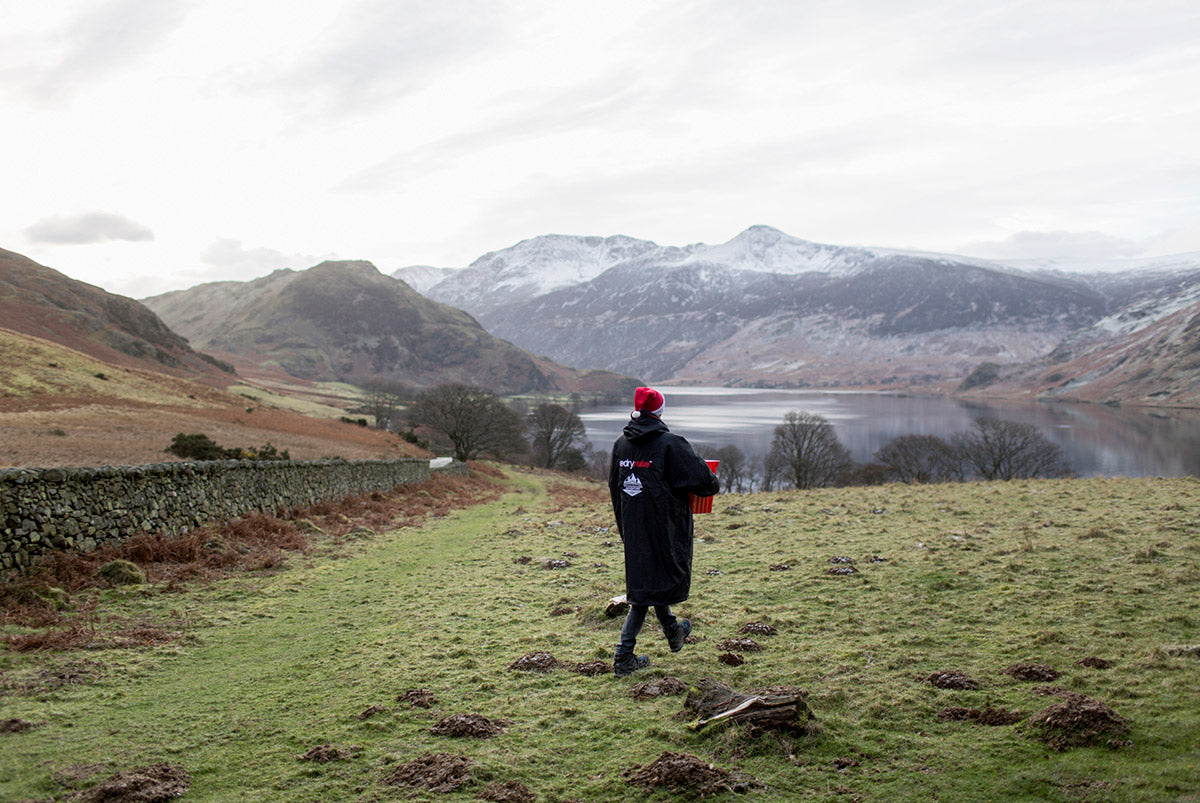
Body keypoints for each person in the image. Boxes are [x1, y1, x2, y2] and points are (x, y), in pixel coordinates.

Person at [608, 386, 719, 676]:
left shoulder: (621, 445)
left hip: (634, 527)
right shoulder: (670, 444)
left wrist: (624, 527)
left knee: (649, 582)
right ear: (659, 412)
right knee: (644, 593)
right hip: (664, 528)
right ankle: (623, 656)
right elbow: (706, 482)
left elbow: (614, 488)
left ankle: (673, 632)